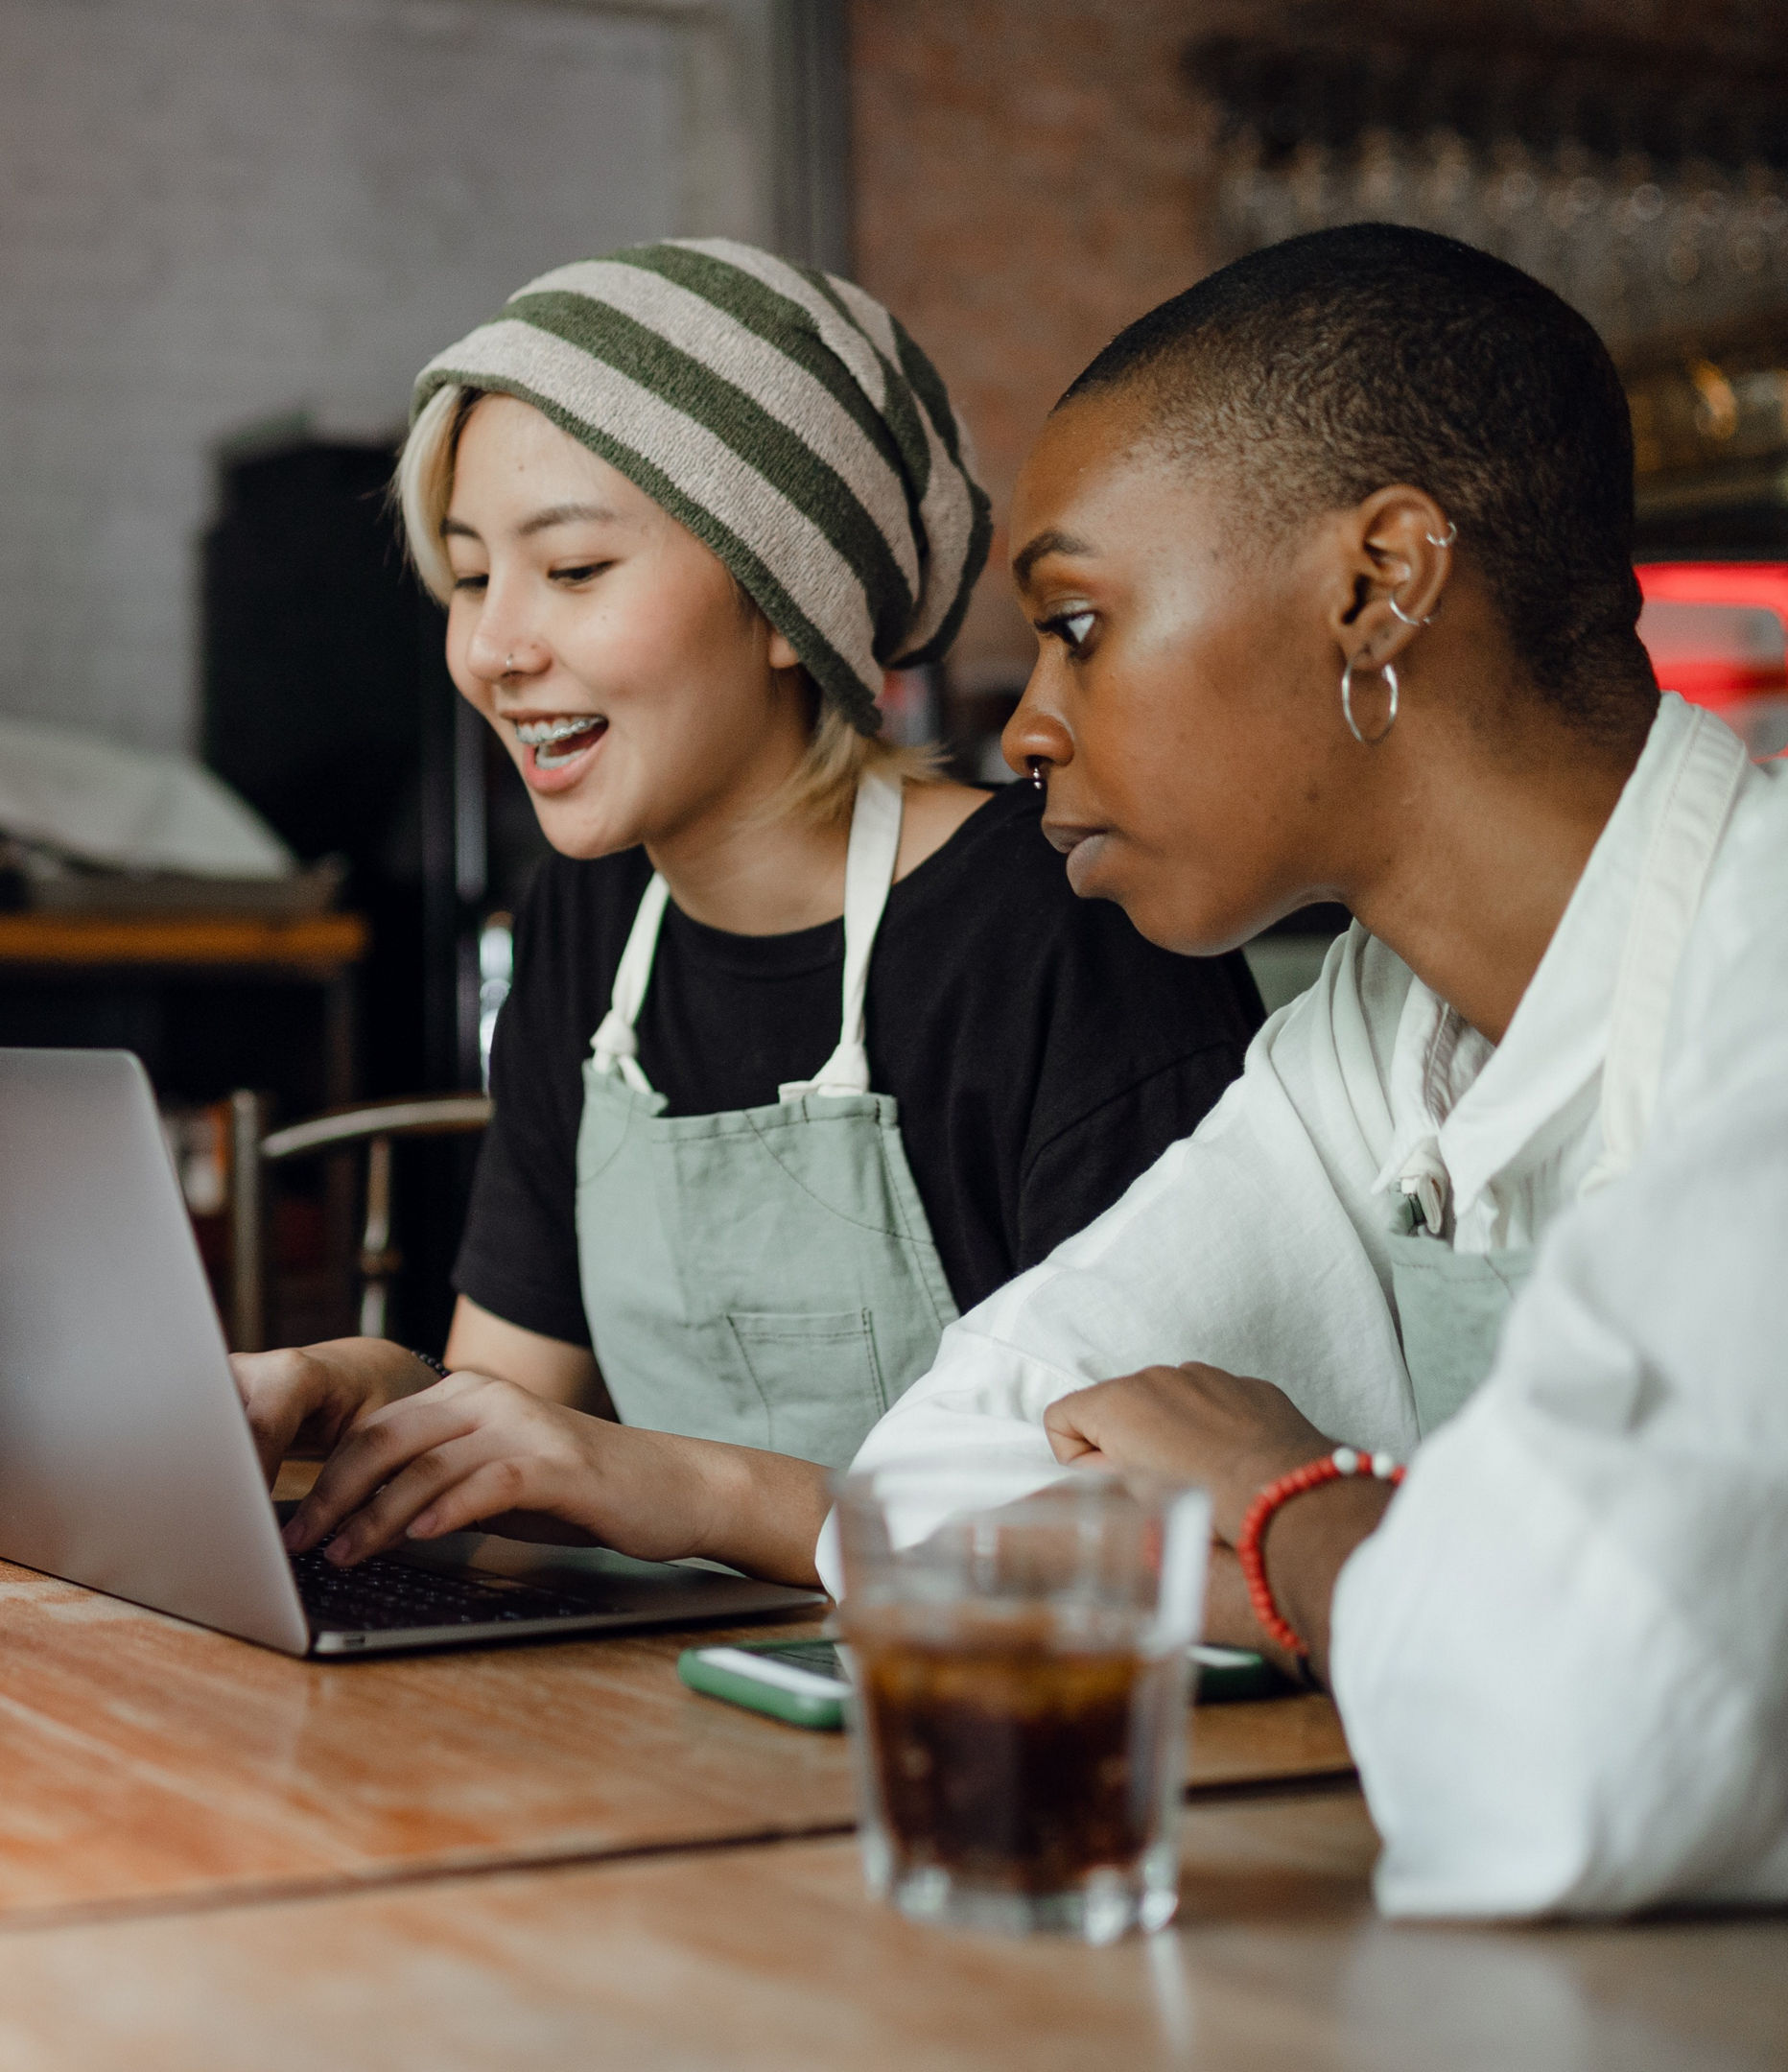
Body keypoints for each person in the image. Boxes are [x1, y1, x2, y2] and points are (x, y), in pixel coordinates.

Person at [231, 239, 1263, 1584]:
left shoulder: (1062, 928)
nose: (492, 649)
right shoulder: (590, 923)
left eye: (576, 569)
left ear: (790, 600)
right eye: (475, 577)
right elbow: (505, 1402)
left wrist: (692, 1487)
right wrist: (352, 1389)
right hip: (665, 1703)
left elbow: (1159, 1536)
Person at [835, 224, 1787, 1645]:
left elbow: (1625, 1728)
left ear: (1379, 585)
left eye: (1078, 625)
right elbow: (920, 1499)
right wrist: (1396, 1591)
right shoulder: (1379, 1038)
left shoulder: (1755, 984)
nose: (1030, 728)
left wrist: (1285, 1496)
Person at [1039, 948, 1788, 1918]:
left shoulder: (1746, 964)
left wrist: (1275, 1486)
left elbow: (1570, 1746)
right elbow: (979, 1467)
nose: (1030, 787)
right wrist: (1346, 1595)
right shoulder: (1379, 1017)